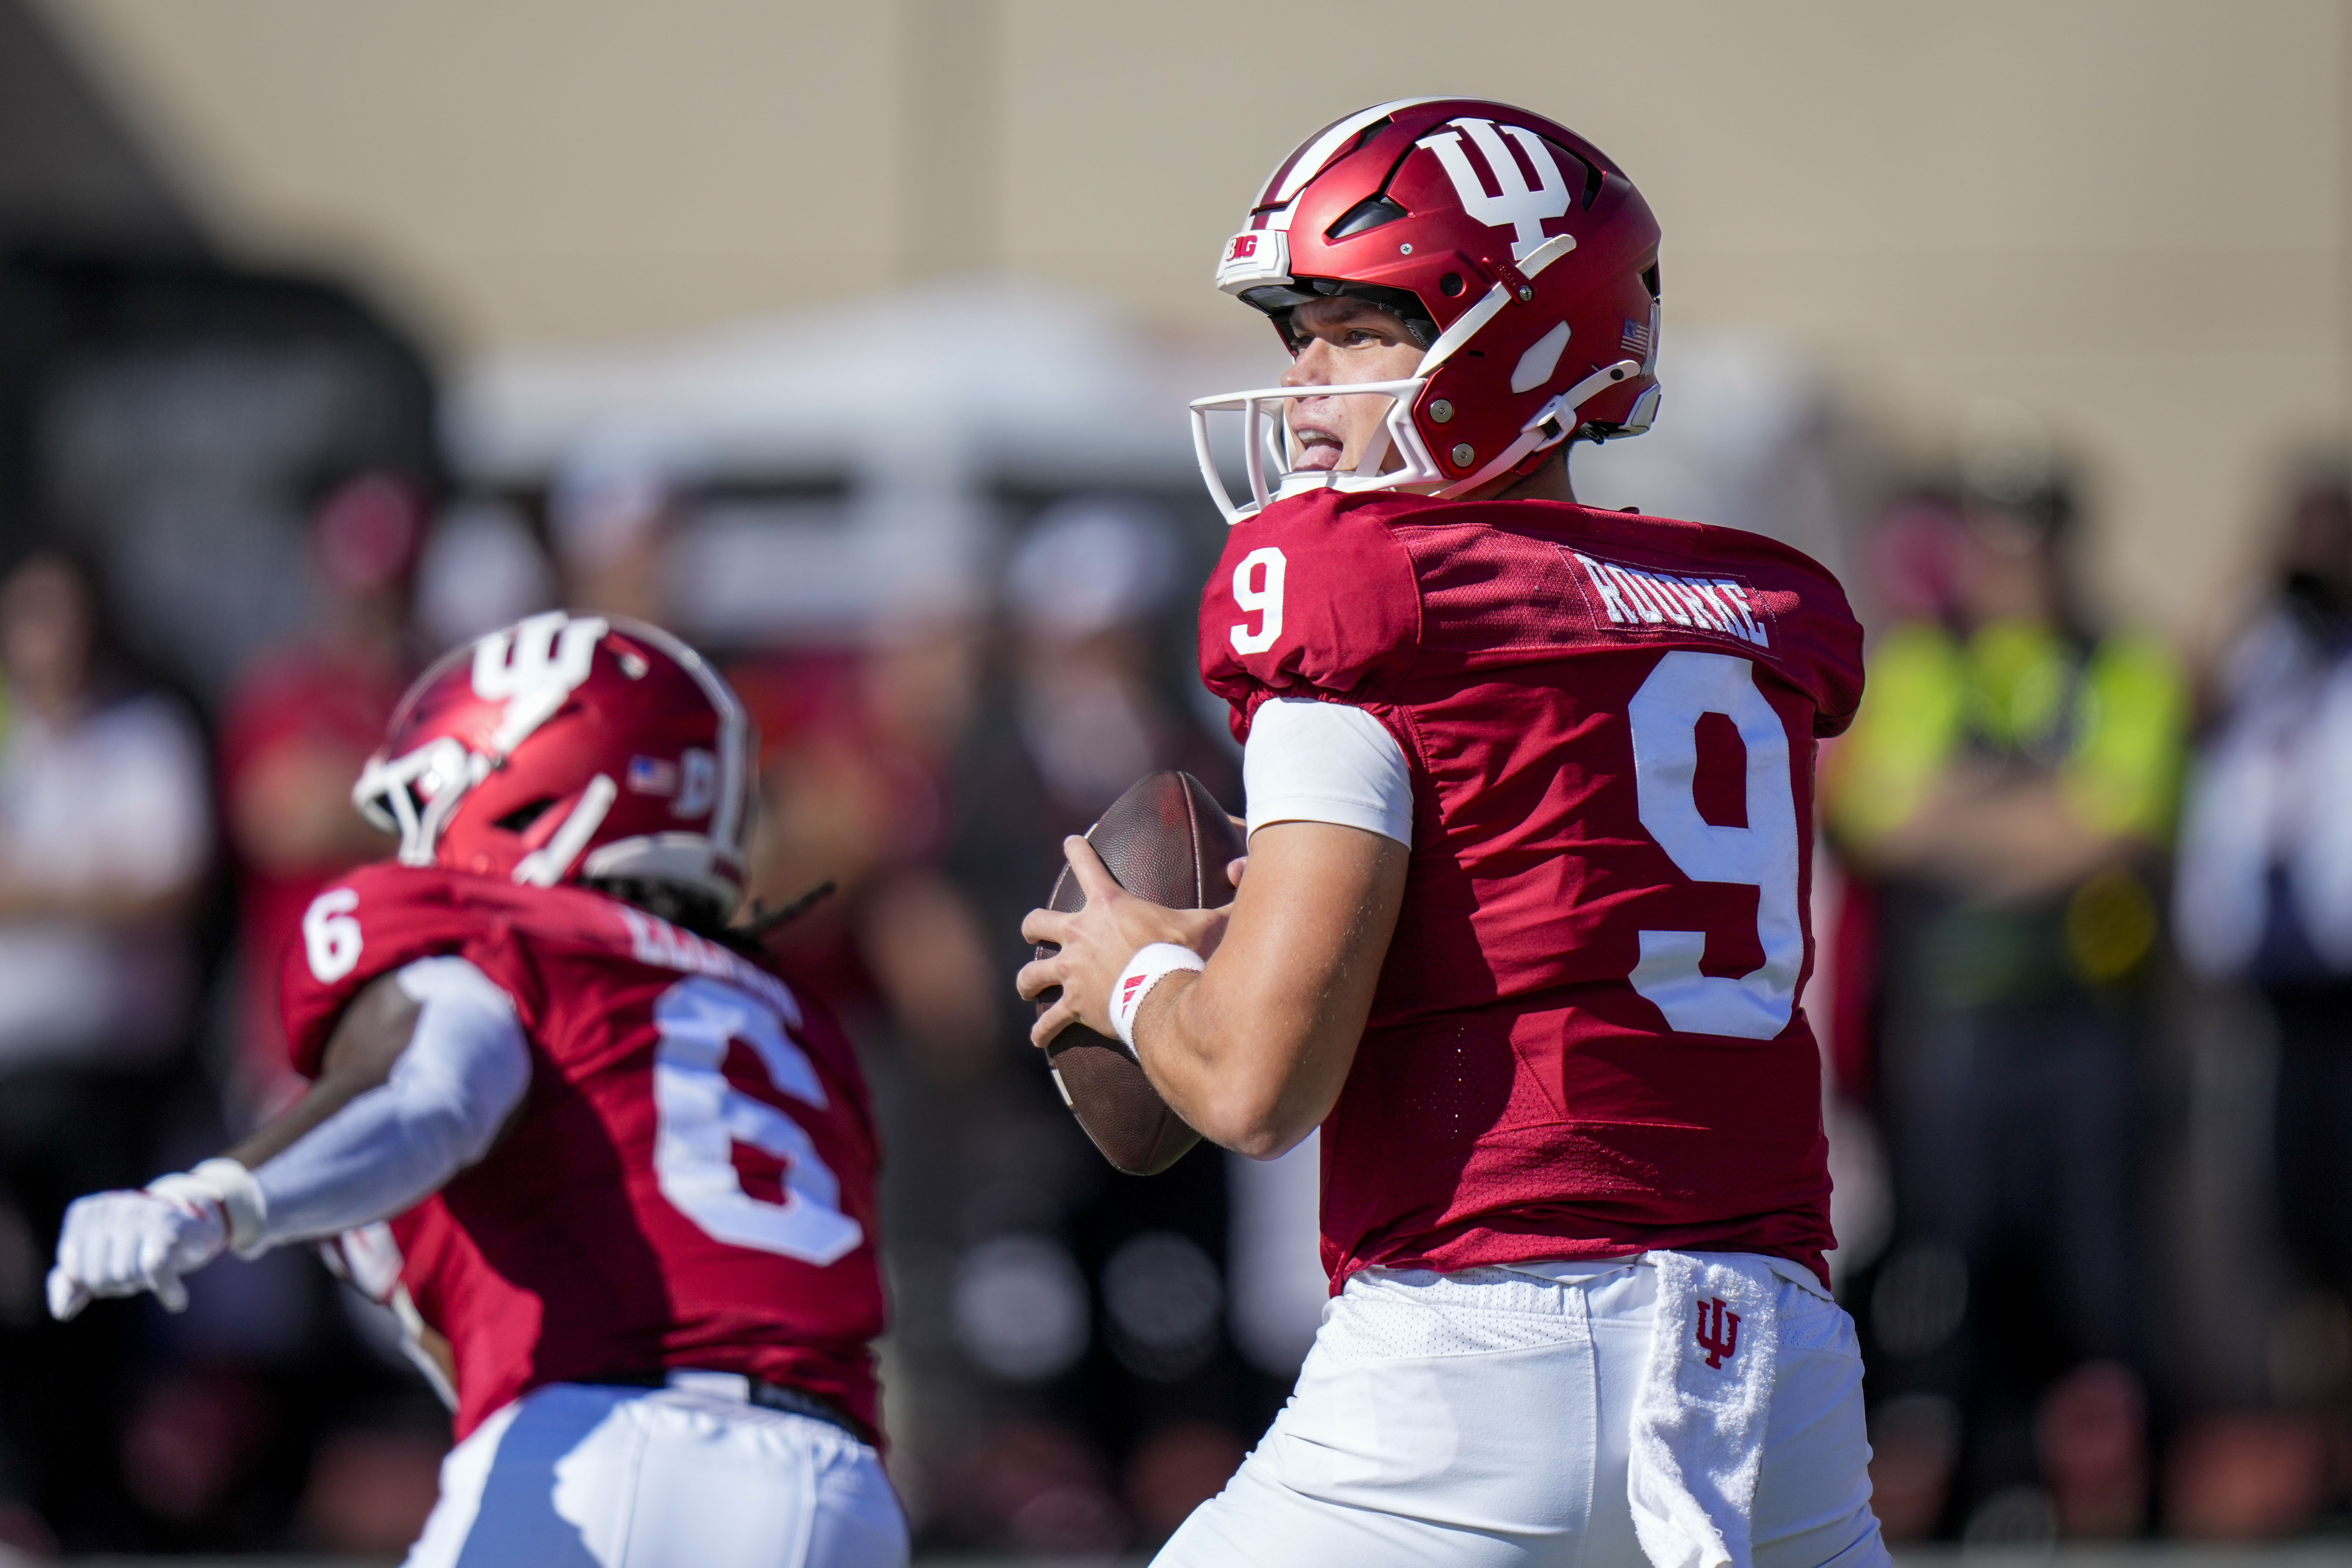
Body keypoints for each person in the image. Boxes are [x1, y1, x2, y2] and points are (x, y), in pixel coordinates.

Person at [1019, 99, 1883, 1566]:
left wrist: (1137, 975)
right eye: (1296, 329)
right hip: (1773, 1364)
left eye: (1353, 328)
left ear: (1516, 341)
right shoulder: (1745, 611)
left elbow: (1252, 1083)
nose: (1300, 380)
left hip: (1487, 1346)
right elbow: (1552, 892)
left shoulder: (1362, 596)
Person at [46, 611, 907, 1568]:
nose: (413, 846)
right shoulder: (791, 1023)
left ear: (525, 783)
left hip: (615, 1445)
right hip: (843, 1488)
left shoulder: (508, 938)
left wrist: (209, 1201)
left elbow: (431, 1097)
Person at [1823, 451, 2184, 1538]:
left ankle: (2103, 1498)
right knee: (1947, 1261)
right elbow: (1877, 818)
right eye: (1995, 539)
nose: (2014, 564)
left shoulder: (2125, 661)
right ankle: (1959, 1483)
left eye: (2035, 539)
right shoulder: (1921, 663)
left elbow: (2118, 824)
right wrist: (2036, 819)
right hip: (1953, 1021)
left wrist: (1965, 821)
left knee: (2099, 1265)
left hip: (2089, 1019)